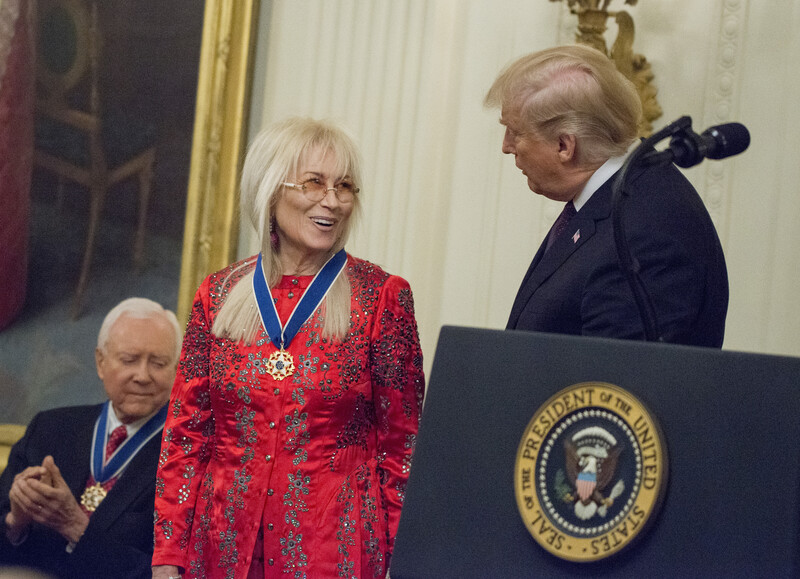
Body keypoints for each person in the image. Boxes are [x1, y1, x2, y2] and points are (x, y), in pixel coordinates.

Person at [151, 117, 425, 579]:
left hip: (334, 551)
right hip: (220, 551)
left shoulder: (381, 297)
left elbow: (404, 449)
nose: (332, 201)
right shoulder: (217, 295)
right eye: (314, 183)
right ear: (270, 189)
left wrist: (409, 562)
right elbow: (185, 435)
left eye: (345, 187)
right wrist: (167, 557)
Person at [484, 44, 728, 347]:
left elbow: (613, 384)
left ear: (564, 146)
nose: (507, 146)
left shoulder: (643, 233)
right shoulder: (616, 197)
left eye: (515, 132)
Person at [0, 297, 181, 578]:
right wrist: (15, 523)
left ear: (176, 371)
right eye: (129, 360)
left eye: (158, 363)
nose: (143, 376)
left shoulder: (191, 454)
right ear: (100, 362)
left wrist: (76, 527)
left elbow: (175, 574)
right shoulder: (48, 429)